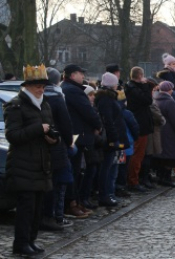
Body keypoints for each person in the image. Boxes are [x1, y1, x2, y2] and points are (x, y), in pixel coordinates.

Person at [4, 65, 57, 256]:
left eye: (42, 86)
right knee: (26, 210)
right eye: (37, 86)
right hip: (23, 165)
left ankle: (31, 241)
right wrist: (38, 129)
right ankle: (21, 243)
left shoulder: (45, 104)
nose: (40, 89)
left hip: (42, 164)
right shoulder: (16, 105)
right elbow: (13, 136)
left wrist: (53, 138)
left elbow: (50, 128)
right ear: (27, 87)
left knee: (37, 209)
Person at [61, 64, 102, 218]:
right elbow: (87, 111)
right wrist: (97, 125)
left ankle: (75, 202)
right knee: (74, 171)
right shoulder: (73, 90)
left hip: (76, 134)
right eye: (80, 74)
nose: (83, 76)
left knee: (76, 171)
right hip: (78, 135)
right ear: (72, 75)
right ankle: (71, 204)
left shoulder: (67, 88)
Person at [40, 67, 74, 231]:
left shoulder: (40, 97)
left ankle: (48, 215)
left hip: (43, 144)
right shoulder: (57, 97)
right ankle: (51, 216)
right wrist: (69, 142)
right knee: (56, 183)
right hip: (56, 144)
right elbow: (65, 123)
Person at [95, 72, 129, 206]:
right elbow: (109, 121)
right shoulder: (106, 100)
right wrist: (114, 138)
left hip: (114, 137)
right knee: (107, 168)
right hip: (110, 139)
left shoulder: (109, 98)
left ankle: (109, 193)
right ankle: (105, 195)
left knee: (111, 167)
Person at [125, 67, 154, 191]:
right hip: (140, 124)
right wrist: (146, 87)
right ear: (140, 75)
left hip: (140, 123)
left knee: (138, 154)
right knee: (137, 154)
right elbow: (147, 100)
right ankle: (133, 180)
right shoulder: (133, 89)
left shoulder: (132, 87)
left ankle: (135, 179)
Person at [154, 81, 175, 187]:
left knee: (162, 157)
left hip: (160, 132)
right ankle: (166, 178)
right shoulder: (170, 102)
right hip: (170, 133)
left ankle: (161, 177)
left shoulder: (156, 100)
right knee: (169, 158)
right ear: (169, 90)